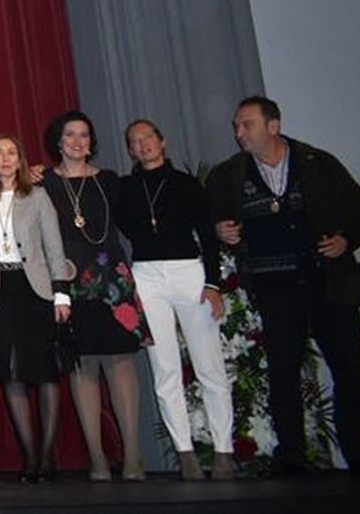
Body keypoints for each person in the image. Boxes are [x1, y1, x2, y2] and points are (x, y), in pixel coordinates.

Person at [208, 96, 360, 477]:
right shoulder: (228, 174)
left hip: (328, 284)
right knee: (283, 372)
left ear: (273, 125)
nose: (239, 133)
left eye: (246, 124)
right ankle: (292, 457)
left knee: (348, 370)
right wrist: (222, 231)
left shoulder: (317, 164)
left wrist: (347, 239)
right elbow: (214, 223)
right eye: (236, 126)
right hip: (275, 288)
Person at [112, 119, 233, 481]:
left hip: (189, 272)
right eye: (136, 141)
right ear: (130, 150)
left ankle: (224, 451)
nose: (144, 145)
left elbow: (209, 237)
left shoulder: (185, 184)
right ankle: (186, 453)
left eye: (149, 138)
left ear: (162, 142)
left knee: (208, 364)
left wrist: (213, 284)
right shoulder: (125, 188)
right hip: (147, 275)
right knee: (164, 369)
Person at [38, 111, 149, 481]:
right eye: (70, 134)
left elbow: (132, 223)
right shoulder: (43, 184)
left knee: (120, 365)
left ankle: (132, 455)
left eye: (84, 134)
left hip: (111, 280)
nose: (77, 141)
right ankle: (98, 458)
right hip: (69, 282)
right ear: (58, 140)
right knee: (82, 367)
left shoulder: (109, 181)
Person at [0, 133, 72, 483]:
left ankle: (48, 455)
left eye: (12, 152)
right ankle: (30, 457)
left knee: (45, 373)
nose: (6, 159)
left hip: (36, 290)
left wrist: (61, 294)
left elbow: (54, 246)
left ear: (21, 160)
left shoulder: (38, 196)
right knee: (10, 373)